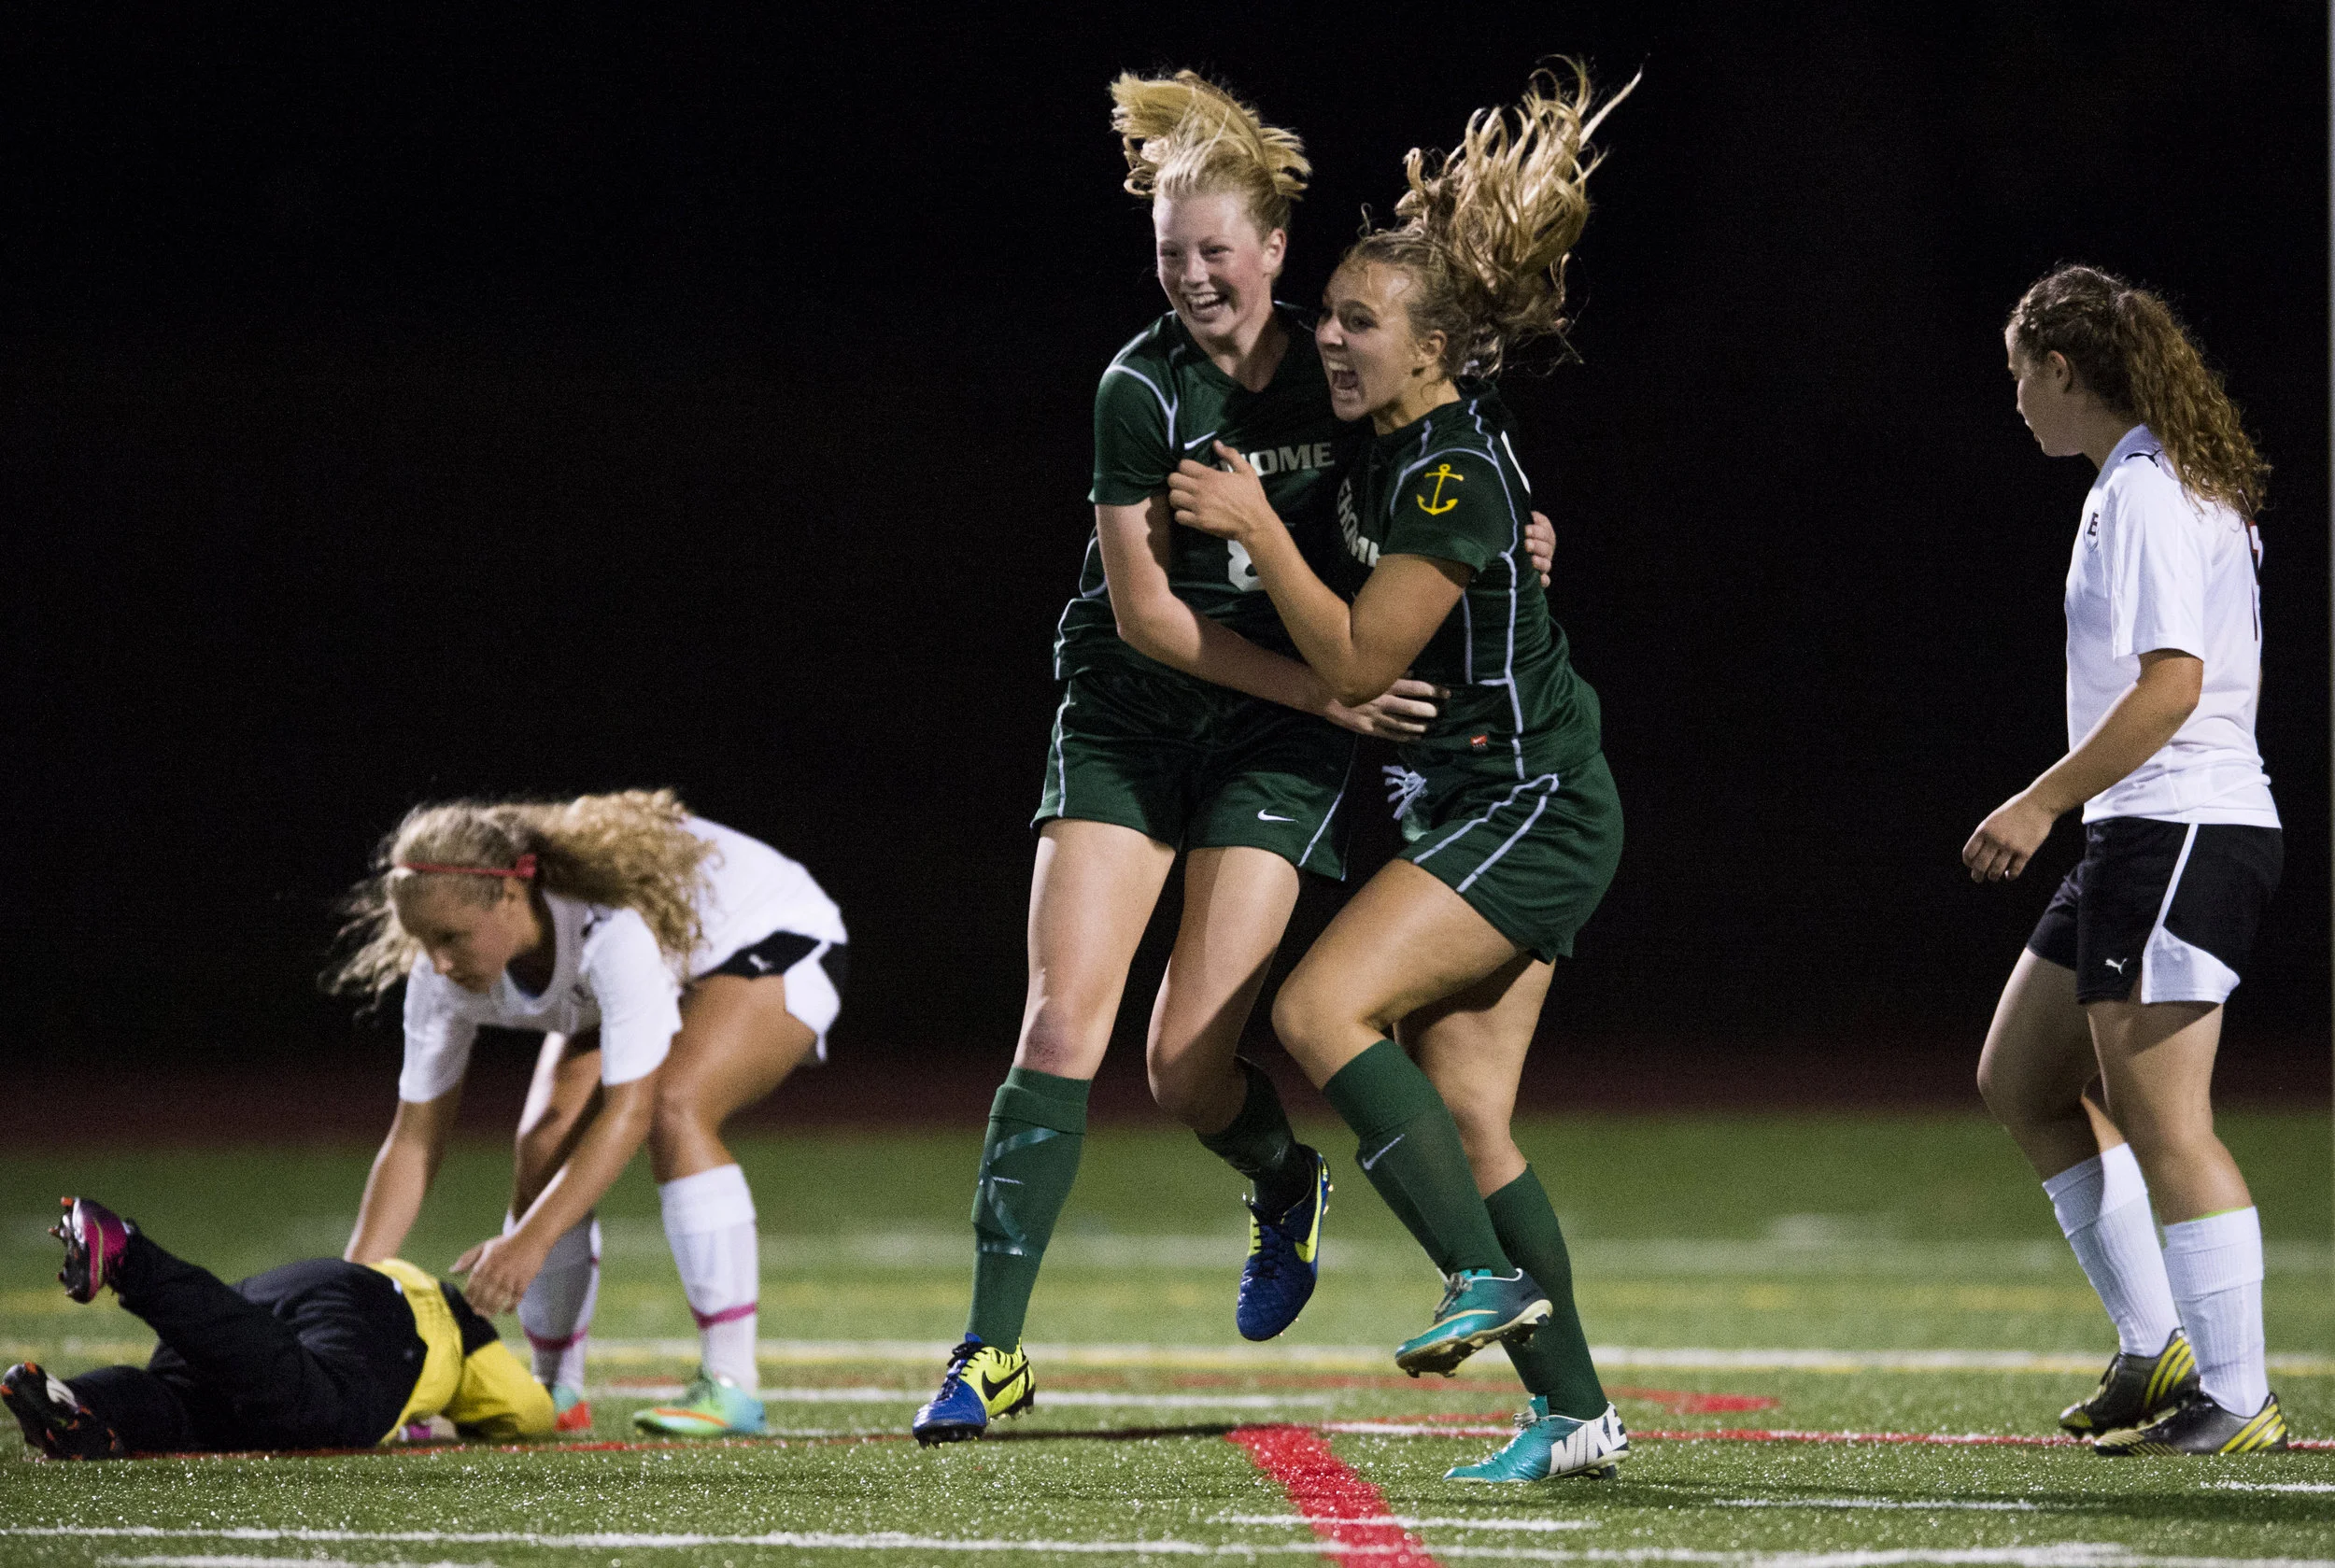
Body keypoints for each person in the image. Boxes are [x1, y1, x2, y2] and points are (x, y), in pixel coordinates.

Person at [910, 71, 1558, 1447]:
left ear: (1276, 248)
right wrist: (1330, 700)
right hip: (1135, 710)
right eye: (1172, 252)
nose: (1196, 275)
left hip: (1271, 733)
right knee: (1059, 1024)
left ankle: (1277, 1173)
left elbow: (1445, 469)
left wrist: (1523, 538)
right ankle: (989, 1350)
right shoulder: (1139, 387)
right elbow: (1148, 615)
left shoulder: (1343, 368)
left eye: (1220, 249)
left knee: (1185, 1069)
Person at [1168, 64, 1635, 1483]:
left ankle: (1476, 1279)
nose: (1338, 344)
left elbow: (1364, 663)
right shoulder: (1411, 440)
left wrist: (1256, 519)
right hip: (1479, 800)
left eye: (1364, 327)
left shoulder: (1442, 472)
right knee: (1472, 1106)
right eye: (1341, 321)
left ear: (1433, 352)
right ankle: (1575, 1414)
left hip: (1527, 802)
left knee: (1318, 1004)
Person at [1966, 264, 2285, 1455]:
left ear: (2061, 368)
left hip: (2177, 823)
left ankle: (2239, 1395)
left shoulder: (2148, 489)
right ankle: (2157, 1343)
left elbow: (2173, 686)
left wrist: (2037, 801)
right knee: (2020, 1077)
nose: (2013, 403)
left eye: (2018, 378)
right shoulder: (2144, 482)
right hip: (2139, 828)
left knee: (2168, 1119)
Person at [331, 789, 847, 1440]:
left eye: (452, 936)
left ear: (510, 897)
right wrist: (348, 1296)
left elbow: (627, 1113)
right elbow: (413, 1139)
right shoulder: (442, 976)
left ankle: (732, 1383)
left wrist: (529, 1241)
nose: (436, 961)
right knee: (543, 1143)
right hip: (664, 962)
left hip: (774, 937)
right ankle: (556, 1389)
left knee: (673, 1105)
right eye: (424, 940)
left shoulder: (611, 928)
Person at [2, 1197, 551, 1458]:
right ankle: (128, 1257)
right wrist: (437, 1421)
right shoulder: (461, 1319)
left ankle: (74, 1404)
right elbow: (528, 1412)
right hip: (377, 1310)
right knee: (328, 1415)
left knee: (187, 1405)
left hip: (277, 1297)